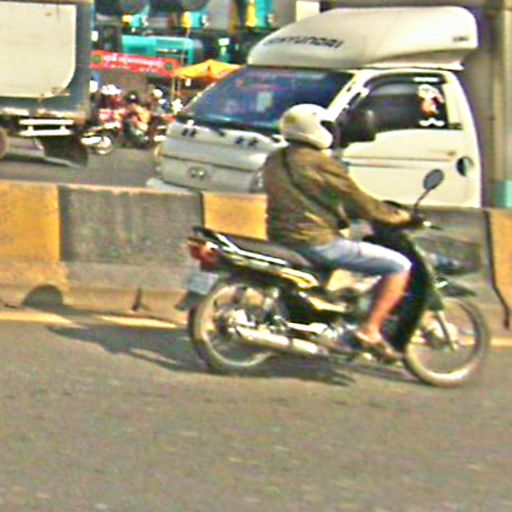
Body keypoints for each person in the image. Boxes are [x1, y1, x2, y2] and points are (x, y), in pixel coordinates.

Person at [262, 104, 414, 361]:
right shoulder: (320, 162)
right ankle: (370, 330)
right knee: (398, 265)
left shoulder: (275, 159)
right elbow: (358, 200)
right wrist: (398, 216)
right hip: (316, 240)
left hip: (280, 236)